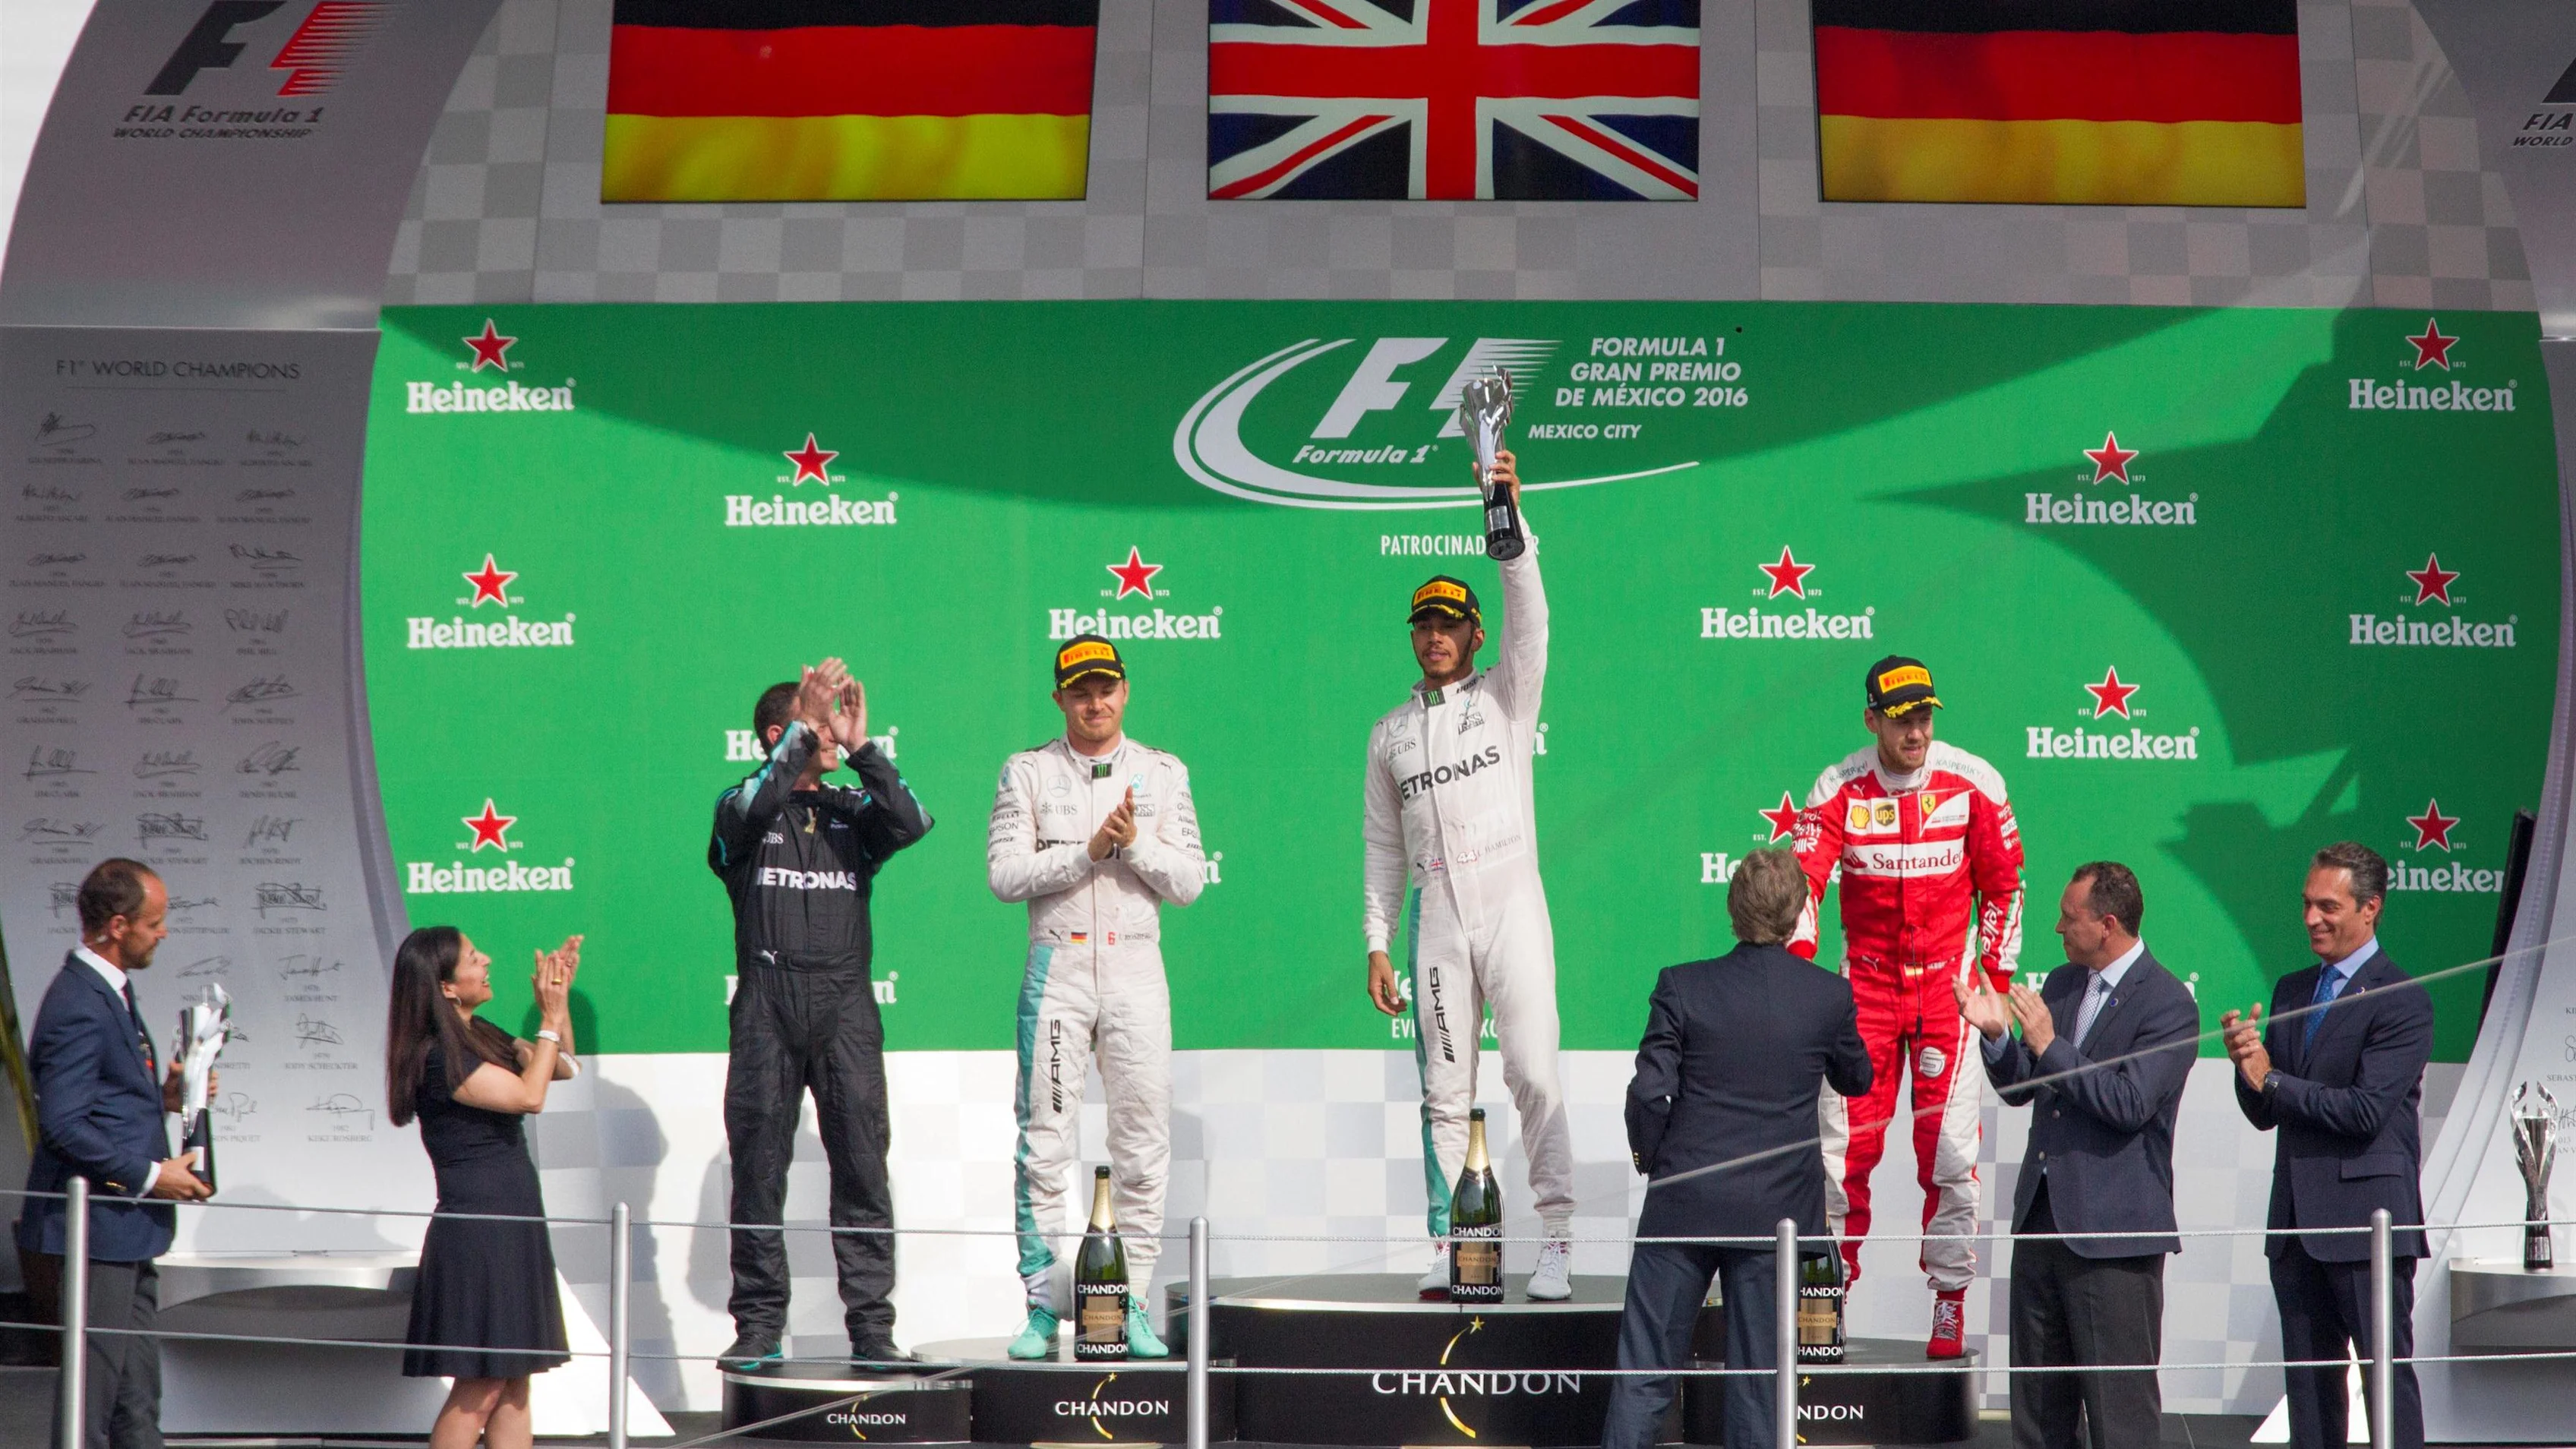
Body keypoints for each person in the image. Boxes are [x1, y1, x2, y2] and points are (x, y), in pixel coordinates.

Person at [1360, 450, 1577, 1302]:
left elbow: (1531, 611)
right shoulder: (1388, 734)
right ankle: (1453, 1246)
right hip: (1437, 920)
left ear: (1475, 635)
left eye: (1450, 624)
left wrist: (1506, 511)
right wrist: (1376, 943)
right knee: (1443, 1092)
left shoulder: (1507, 694)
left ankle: (1555, 1238)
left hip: (1511, 904)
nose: (1436, 636)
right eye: (1423, 625)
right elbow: (1381, 846)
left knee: (1531, 1069)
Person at [1788, 655, 2024, 1356]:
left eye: (1924, 715)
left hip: (1945, 995)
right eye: (1901, 719)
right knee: (1839, 1157)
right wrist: (1801, 984)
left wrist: (1995, 984)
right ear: (1872, 721)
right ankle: (1824, 1302)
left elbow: (2005, 886)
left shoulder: (1975, 780)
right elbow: (1805, 885)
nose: (1916, 730)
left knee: (1950, 1157)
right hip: (1863, 994)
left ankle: (1949, 1304)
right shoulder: (1838, 785)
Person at [1602, 848, 1870, 1449]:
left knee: (1644, 1376)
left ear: (1731, 908)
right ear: (1802, 911)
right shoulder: (1828, 996)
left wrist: (1658, 1162)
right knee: (1759, 1387)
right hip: (1775, 1219)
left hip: (1683, 1204)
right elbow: (1858, 1078)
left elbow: (1648, 1094)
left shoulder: (1683, 985)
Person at [710, 658, 934, 1369]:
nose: (831, 728)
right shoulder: (741, 808)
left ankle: (872, 1334)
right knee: (758, 1170)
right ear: (781, 732)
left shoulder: (852, 812)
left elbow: (914, 820)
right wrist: (804, 735)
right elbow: (750, 807)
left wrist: (863, 747)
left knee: (865, 1167)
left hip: (845, 1005)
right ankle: (757, 1327)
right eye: (817, 721)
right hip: (767, 1004)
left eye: (833, 719)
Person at [989, 635, 1205, 1361]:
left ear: (1126, 690)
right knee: (1045, 1141)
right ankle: (1046, 1305)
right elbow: (1004, 875)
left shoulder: (1163, 772)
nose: (1095, 701)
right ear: (1060, 699)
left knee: (1142, 1145)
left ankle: (1131, 1301)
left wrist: (1132, 843)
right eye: (1080, 690)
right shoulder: (1027, 771)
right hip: (1058, 969)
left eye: (1106, 687)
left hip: (1137, 971)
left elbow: (1190, 882)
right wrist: (1086, 851)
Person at [1965, 862, 2196, 1449]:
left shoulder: (2168, 1003)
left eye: (2070, 919)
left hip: (2114, 1241)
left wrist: (2048, 1045)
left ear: (2108, 924)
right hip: (2043, 1226)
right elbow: (2026, 1088)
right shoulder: (2066, 984)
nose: (2058, 929)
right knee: (2040, 1414)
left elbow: (2127, 1103)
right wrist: (1998, 1038)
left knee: (2119, 1417)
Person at [2224, 843, 2432, 1449]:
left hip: (2368, 1223)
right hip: (2296, 1225)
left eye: (2328, 906)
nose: (2312, 918)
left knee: (2384, 1378)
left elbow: (2365, 1111)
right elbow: (2268, 1113)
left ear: (2370, 909)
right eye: (2307, 904)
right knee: (2310, 1387)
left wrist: (2273, 1078)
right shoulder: (2292, 990)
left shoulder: (2402, 998)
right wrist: (2247, 1069)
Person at [17, 858, 211, 1449]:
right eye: (156, 922)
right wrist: (154, 1176)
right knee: (92, 1401)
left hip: (126, 1230)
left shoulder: (107, 991)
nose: (164, 932)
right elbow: (64, 1125)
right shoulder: (80, 1000)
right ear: (119, 925)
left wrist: (166, 1099)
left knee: (135, 1398)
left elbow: (104, 1104)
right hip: (97, 1229)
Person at [386, 927, 582, 1449]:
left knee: (516, 1385)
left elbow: (560, 1067)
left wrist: (556, 1007)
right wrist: (545, 1018)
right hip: (480, 1232)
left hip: (514, 1222)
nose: (488, 960)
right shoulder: (436, 1056)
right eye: (475, 958)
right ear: (447, 986)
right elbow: (528, 1096)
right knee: (482, 1386)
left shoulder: (481, 1033)